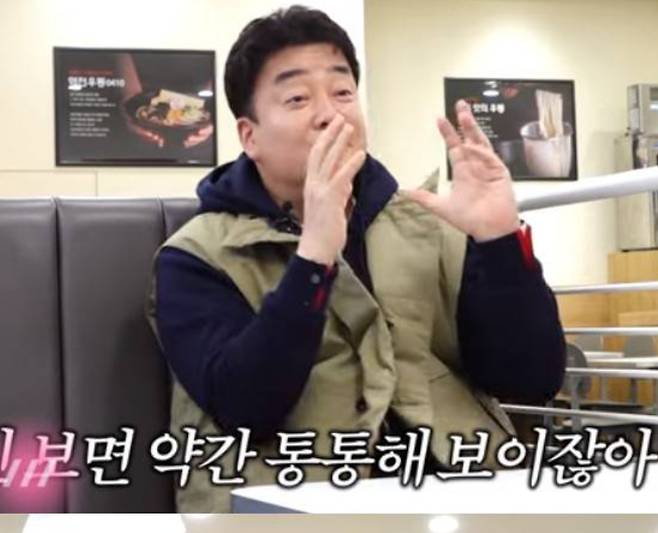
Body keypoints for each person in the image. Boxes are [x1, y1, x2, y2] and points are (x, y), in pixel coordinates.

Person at [146, 5, 566, 512]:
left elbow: (530, 379)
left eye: (343, 92)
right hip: (299, 502)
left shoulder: (425, 224)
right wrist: (315, 255)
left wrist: (498, 241)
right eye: (298, 98)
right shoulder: (195, 257)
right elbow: (244, 405)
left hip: (459, 492)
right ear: (249, 136)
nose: (331, 114)